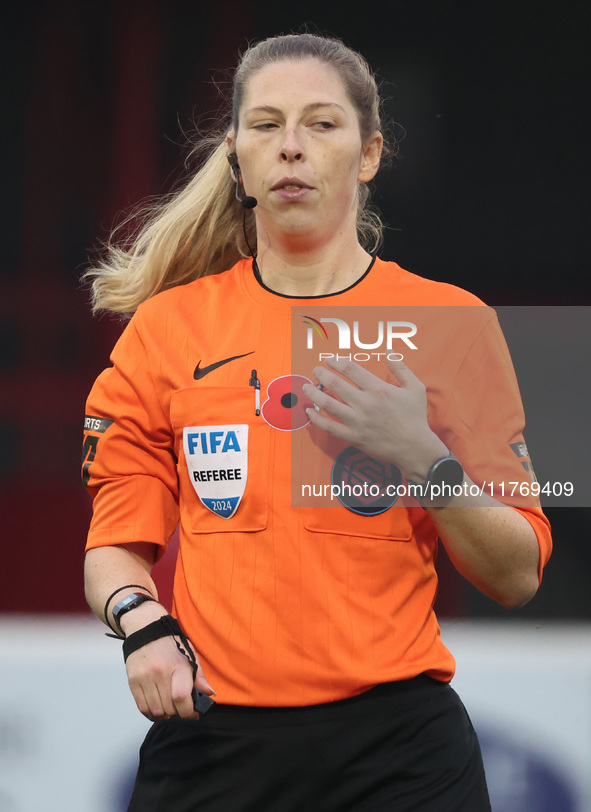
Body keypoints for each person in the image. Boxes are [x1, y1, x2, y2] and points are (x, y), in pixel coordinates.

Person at [82, 32, 552, 811]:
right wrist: (140, 623)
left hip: (399, 755)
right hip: (212, 745)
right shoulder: (167, 331)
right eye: (265, 126)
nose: (291, 147)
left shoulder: (450, 323)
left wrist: (421, 458)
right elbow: (114, 547)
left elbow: (517, 573)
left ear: (368, 155)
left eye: (320, 124)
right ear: (236, 158)